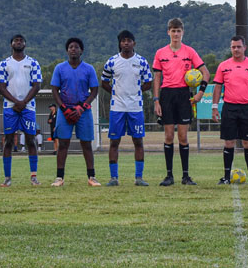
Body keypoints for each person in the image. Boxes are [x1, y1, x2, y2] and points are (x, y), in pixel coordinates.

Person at [151, 18, 210, 186]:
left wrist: (200, 93)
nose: (176, 34)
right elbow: (156, 78)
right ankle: (169, 176)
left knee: (183, 137)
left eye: (178, 31)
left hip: (184, 95)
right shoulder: (160, 53)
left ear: (183, 32)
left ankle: (186, 176)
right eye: (173, 30)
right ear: (168, 32)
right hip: (167, 95)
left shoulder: (190, 52)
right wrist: (156, 100)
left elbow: (205, 73)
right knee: (169, 135)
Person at [101, 30, 153, 186]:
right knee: (114, 141)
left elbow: (148, 82)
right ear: (119, 43)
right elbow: (104, 81)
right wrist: (115, 93)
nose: (126, 43)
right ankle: (114, 178)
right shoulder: (112, 62)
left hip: (135, 108)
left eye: (129, 40)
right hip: (117, 108)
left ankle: (139, 177)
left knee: (138, 141)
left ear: (134, 43)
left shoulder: (142, 61)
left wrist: (135, 92)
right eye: (123, 40)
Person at [212, 35, 248, 185]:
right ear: (230, 48)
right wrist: (215, 107)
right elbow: (217, 87)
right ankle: (226, 177)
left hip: (247, 108)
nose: (236, 49)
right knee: (228, 142)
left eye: (239, 46)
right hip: (229, 107)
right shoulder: (223, 66)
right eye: (233, 47)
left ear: (244, 47)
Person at [51, 37, 101, 187]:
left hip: (82, 111)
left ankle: (91, 176)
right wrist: (63, 108)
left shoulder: (89, 68)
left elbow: (94, 90)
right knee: (63, 144)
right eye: (71, 47)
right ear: (67, 50)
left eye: (76, 47)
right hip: (64, 110)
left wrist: (82, 107)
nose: (73, 49)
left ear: (81, 51)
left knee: (86, 144)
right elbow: (55, 89)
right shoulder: (60, 68)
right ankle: (59, 177)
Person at [0, 34, 43, 187]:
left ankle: (34, 176)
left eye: (21, 40)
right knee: (9, 141)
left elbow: (37, 85)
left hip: (28, 107)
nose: (18, 42)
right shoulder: (4, 64)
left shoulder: (33, 63)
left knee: (31, 140)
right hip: (10, 107)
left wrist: (24, 102)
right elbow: (1, 87)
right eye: (16, 40)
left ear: (25, 44)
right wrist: (16, 101)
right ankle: (7, 178)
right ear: (11, 44)